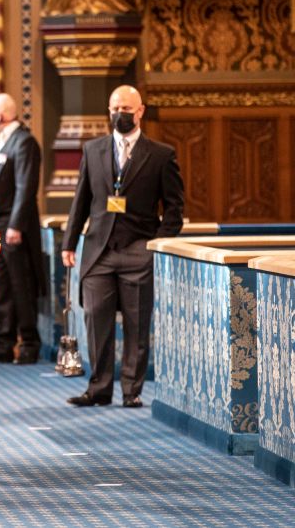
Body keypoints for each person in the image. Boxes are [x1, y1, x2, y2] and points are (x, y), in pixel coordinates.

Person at [61, 85, 184, 408]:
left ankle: (132, 391)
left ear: (140, 111)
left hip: (138, 251)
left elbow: (174, 208)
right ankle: (98, 388)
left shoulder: (161, 154)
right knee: (96, 321)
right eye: (115, 108)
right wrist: (69, 242)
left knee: (136, 326)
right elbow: (81, 201)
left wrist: (157, 244)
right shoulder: (93, 150)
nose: (120, 115)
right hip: (98, 251)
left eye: (127, 110)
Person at [0, 93, 45, 364]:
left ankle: (29, 343)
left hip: (14, 226)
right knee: (3, 286)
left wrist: (16, 225)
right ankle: (4, 343)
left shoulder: (25, 142)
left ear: (1, 115)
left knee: (21, 285)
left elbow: (25, 187)